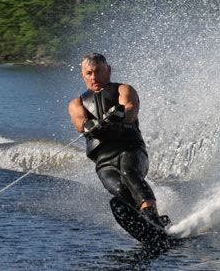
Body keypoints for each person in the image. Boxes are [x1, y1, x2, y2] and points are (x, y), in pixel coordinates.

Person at [68, 53, 166, 228]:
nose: (94, 77)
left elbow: (130, 109)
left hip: (130, 149)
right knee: (119, 189)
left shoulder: (124, 89)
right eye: (89, 73)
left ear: (109, 71)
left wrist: (121, 114)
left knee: (129, 173)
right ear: (83, 76)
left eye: (98, 71)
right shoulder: (77, 103)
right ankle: (143, 222)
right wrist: (87, 124)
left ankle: (153, 218)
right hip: (104, 161)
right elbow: (78, 121)